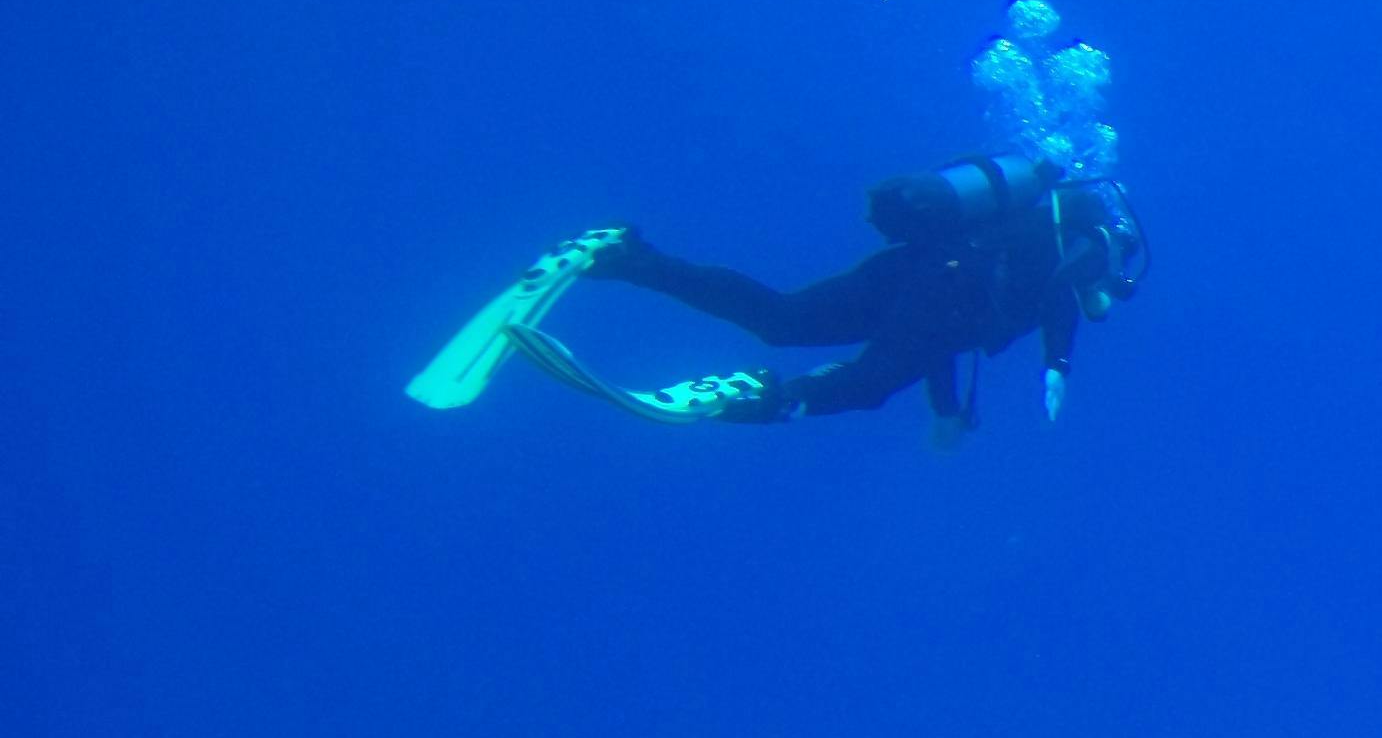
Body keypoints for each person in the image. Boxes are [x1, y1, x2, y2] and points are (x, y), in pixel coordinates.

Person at [409, 150, 1144, 444]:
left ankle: (621, 255)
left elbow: (936, 340)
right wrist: (1059, 370)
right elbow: (1024, 321)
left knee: (778, 316)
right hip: (940, 296)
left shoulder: (1016, 228)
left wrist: (949, 408)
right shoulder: (1074, 264)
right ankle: (753, 397)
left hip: (913, 270)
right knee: (855, 389)